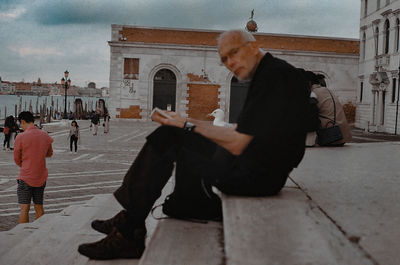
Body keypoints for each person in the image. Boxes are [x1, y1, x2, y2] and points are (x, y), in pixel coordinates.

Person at [78, 30, 311, 260]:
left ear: (252, 47)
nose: (230, 63)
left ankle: (129, 231)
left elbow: (239, 143)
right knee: (174, 133)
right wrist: (184, 124)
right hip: (255, 164)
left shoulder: (273, 77)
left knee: (173, 136)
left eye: (234, 53)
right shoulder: (271, 72)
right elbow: (242, 135)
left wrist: (185, 124)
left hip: (258, 176)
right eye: (224, 59)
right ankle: (136, 217)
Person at [13, 111, 53, 223]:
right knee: (39, 207)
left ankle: (23, 233)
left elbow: (16, 158)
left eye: (20, 124)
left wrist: (25, 164)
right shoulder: (45, 135)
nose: (21, 126)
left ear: (22, 121)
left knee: (24, 209)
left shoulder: (20, 137)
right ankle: (39, 231)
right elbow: (50, 153)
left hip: (26, 177)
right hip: (41, 176)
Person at [304, 71, 352, 146]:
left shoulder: (313, 94)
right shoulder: (327, 90)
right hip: (342, 135)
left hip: (331, 136)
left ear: (309, 82)